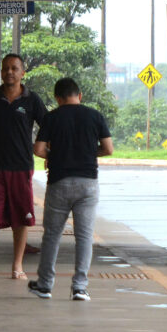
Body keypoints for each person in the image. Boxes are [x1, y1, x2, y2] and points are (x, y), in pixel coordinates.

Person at [28, 78, 113, 301]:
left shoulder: (52, 117)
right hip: (88, 184)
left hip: (59, 182)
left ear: (57, 98)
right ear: (80, 95)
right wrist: (85, 153)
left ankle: (45, 285)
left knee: (52, 235)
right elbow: (108, 149)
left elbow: (38, 149)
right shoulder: (95, 116)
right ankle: (80, 288)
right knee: (84, 236)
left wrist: (57, 155)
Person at [0, 53, 47, 279]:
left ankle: (17, 267)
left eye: (14, 68)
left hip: (22, 168)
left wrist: (46, 152)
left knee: (21, 217)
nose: (9, 72)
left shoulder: (32, 100)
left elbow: (48, 127)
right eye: (5, 69)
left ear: (23, 73)